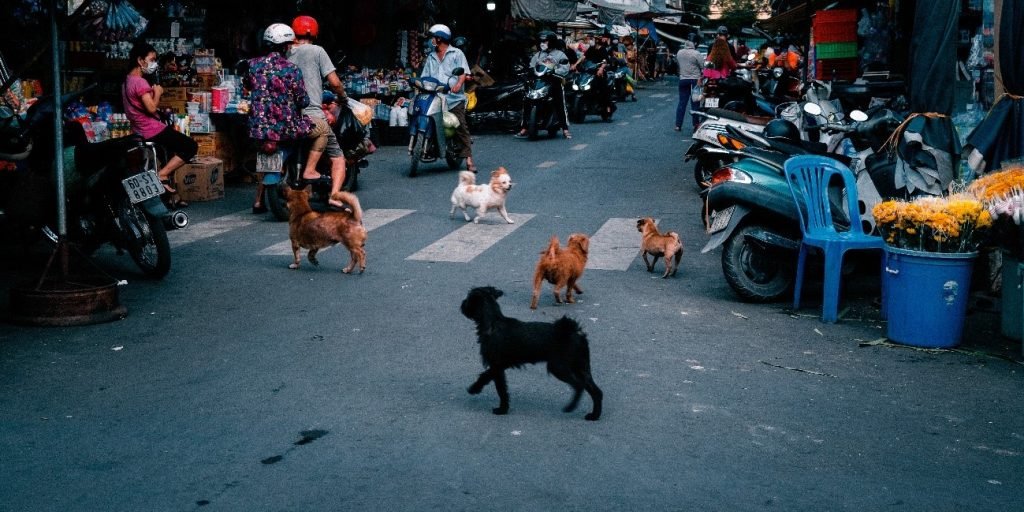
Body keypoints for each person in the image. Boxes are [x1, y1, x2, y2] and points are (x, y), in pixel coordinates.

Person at [242, 23, 312, 214]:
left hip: (259, 128)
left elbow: (247, 86)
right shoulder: (292, 69)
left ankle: (258, 200)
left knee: (266, 156)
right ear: (285, 46)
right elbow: (303, 100)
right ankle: (307, 178)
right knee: (309, 132)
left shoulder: (252, 65)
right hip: (285, 127)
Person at [122, 42, 198, 201]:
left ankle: (172, 196)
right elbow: (150, 108)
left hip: (140, 129)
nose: (154, 63)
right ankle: (161, 175)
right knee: (190, 146)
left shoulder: (127, 81)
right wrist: (158, 93)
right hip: (151, 129)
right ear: (140, 60)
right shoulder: (140, 82)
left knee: (170, 153)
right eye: (152, 59)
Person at [287, 15, 349, 208]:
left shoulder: (283, 52)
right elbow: (335, 82)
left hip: (287, 117)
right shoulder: (317, 51)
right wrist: (342, 97)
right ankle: (335, 196)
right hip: (312, 115)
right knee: (338, 158)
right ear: (314, 32)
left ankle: (259, 198)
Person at [421, 23, 476, 172]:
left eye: (433, 37)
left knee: (460, 126)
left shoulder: (457, 53)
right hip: (435, 96)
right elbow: (424, 76)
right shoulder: (431, 57)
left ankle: (469, 160)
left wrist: (458, 83)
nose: (431, 40)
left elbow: (463, 72)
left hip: (453, 98)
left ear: (439, 38)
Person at [515, 32, 571, 139]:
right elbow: (531, 66)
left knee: (560, 104)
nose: (542, 43)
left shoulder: (560, 54)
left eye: (545, 41)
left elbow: (565, 68)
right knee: (526, 101)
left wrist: (555, 71)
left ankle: (565, 129)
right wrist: (529, 71)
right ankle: (524, 127)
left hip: (554, 82)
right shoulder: (538, 55)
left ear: (552, 42)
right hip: (538, 83)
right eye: (541, 41)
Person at [577, 33, 615, 116]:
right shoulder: (591, 49)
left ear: (596, 40)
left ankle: (608, 108)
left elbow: (605, 61)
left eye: (591, 39)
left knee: (603, 90)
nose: (589, 40)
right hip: (589, 71)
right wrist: (575, 64)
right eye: (588, 39)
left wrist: (601, 69)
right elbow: (583, 57)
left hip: (599, 73)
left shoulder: (602, 49)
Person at [675, 40, 703, 132]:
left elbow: (678, 64)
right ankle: (695, 124)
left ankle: (678, 125)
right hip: (695, 80)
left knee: (682, 103)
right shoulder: (696, 53)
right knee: (695, 103)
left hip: (683, 79)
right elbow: (702, 66)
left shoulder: (679, 53)